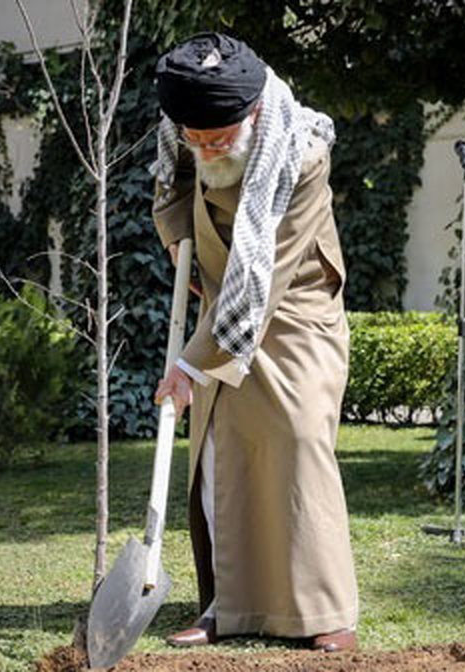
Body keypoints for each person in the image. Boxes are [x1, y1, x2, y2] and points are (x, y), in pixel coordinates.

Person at [149, 32, 358, 653]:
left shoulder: (301, 157)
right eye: (198, 139)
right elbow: (174, 189)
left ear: (254, 114)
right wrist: (176, 249)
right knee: (220, 448)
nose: (207, 148)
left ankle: (324, 612)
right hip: (221, 293)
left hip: (294, 306)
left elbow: (262, 281)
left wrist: (189, 365)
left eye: (220, 139)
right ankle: (227, 606)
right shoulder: (183, 122)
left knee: (297, 437)